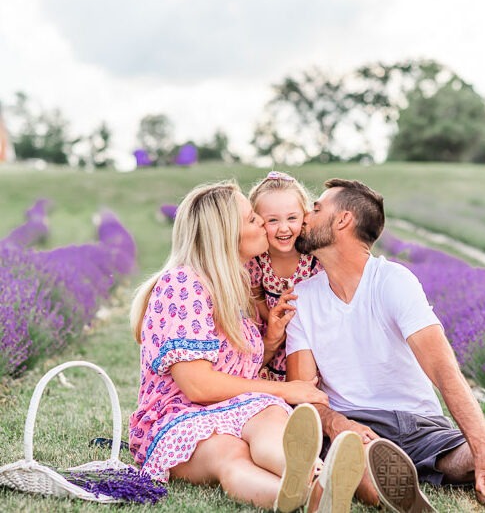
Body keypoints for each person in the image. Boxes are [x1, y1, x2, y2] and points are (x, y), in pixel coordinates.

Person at [286, 178, 485, 513]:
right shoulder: (302, 298)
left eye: (317, 208)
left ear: (343, 220)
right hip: (356, 427)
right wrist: (338, 424)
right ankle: (402, 497)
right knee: (355, 460)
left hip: (418, 424)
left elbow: (442, 367)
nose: (305, 214)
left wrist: (481, 446)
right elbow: (303, 391)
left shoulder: (394, 281)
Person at [128, 180, 363, 512]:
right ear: (226, 234)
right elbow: (197, 385)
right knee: (230, 454)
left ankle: (318, 478)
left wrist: (269, 342)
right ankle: (305, 497)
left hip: (237, 407)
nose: (264, 227)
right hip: (179, 417)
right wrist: (286, 390)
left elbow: (234, 369)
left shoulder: (236, 286)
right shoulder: (183, 283)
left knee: (268, 418)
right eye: (254, 219)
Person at [246, 171, 322, 381]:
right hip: (274, 345)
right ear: (258, 222)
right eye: (272, 220)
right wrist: (270, 317)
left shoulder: (315, 259)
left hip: (312, 346)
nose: (284, 228)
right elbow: (256, 293)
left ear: (304, 217)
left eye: (292, 218)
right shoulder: (257, 260)